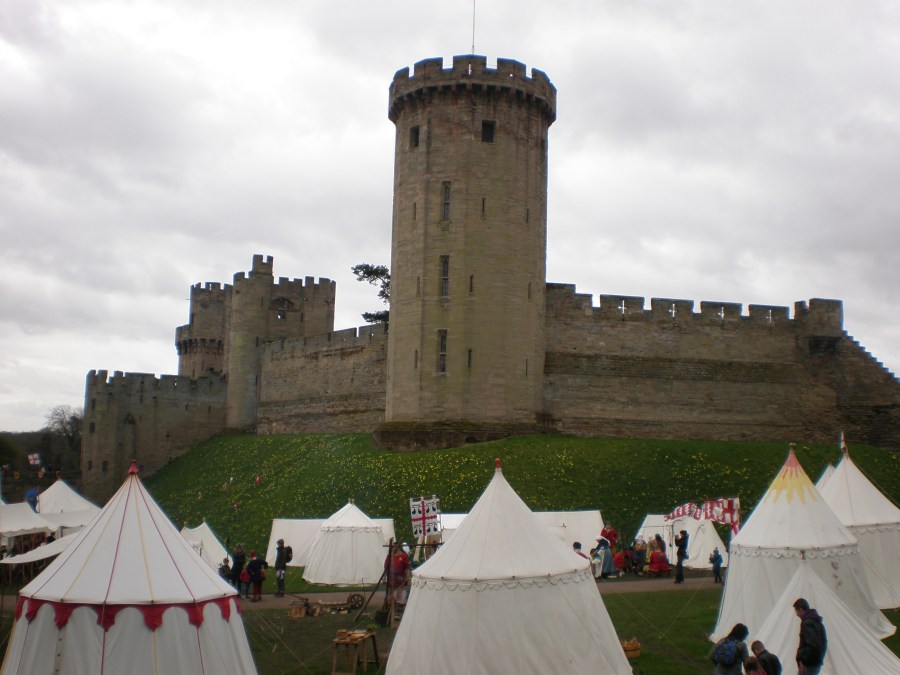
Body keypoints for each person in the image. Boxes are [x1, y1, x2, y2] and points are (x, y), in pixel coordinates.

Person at [793, 598, 827, 674]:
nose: (796, 614)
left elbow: (811, 645)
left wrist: (804, 662)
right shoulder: (817, 622)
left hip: (808, 666)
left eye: (796, 611)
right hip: (815, 663)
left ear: (801, 609)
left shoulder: (807, 623)